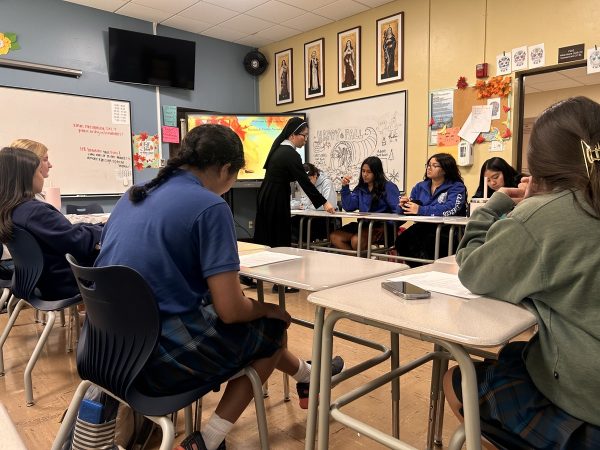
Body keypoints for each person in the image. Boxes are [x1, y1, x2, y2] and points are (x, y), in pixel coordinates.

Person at [95, 125, 343, 450]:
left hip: (104, 347)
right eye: (235, 177)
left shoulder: (134, 194)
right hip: (155, 359)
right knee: (273, 328)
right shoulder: (210, 207)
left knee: (256, 331)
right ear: (225, 169)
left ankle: (307, 376)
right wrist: (270, 308)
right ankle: (207, 442)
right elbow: (231, 311)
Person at [446, 96, 600, 449]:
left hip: (586, 402)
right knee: (517, 354)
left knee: (459, 379)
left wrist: (499, 203)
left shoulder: (542, 216)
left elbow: (473, 268)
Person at [0, 147, 102, 300]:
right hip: (64, 283)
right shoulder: (33, 212)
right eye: (39, 172)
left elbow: (68, 234)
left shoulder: (10, 209)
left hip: (39, 281)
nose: (42, 177)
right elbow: (78, 242)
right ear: (26, 177)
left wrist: (89, 228)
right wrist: (106, 228)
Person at [254, 117, 335, 249]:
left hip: (267, 194)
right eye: (304, 135)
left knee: (267, 235)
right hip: (276, 197)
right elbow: (305, 181)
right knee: (278, 237)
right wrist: (324, 202)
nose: (306, 139)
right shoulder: (290, 154)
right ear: (292, 134)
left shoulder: (280, 150)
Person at [394, 153, 466, 266]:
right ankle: (417, 269)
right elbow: (411, 209)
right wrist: (403, 206)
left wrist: (421, 210)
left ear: (445, 169)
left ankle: (429, 270)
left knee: (428, 243)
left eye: (434, 165)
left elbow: (451, 208)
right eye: (428, 165)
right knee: (402, 241)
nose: (429, 168)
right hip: (423, 227)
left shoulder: (456, 187)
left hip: (447, 229)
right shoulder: (420, 186)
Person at [329, 156, 400, 251]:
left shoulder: (388, 187)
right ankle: (358, 261)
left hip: (382, 227)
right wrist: (345, 188)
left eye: (369, 172)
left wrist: (387, 225)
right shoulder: (360, 188)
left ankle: (361, 260)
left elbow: (399, 212)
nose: (365, 174)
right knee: (334, 237)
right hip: (363, 225)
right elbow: (349, 207)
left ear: (376, 173)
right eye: (363, 171)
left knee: (356, 241)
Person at [290, 163, 338, 242]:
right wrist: (298, 205)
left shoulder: (326, 183)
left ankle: (299, 249)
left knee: (296, 226)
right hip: (308, 217)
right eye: (304, 180)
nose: (306, 183)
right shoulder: (302, 184)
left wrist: (306, 207)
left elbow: (329, 205)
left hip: (324, 220)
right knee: (289, 223)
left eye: (309, 180)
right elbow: (298, 202)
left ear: (315, 175)